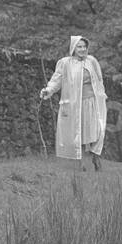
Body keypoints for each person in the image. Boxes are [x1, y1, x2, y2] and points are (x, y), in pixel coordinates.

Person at [40, 35, 107, 171]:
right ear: (73, 48)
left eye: (84, 47)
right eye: (79, 47)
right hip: (76, 104)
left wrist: (102, 95)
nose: (82, 49)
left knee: (98, 130)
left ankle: (95, 156)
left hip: (93, 102)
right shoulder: (66, 63)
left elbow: (99, 80)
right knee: (79, 132)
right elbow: (57, 80)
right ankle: (80, 163)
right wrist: (48, 90)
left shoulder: (92, 61)